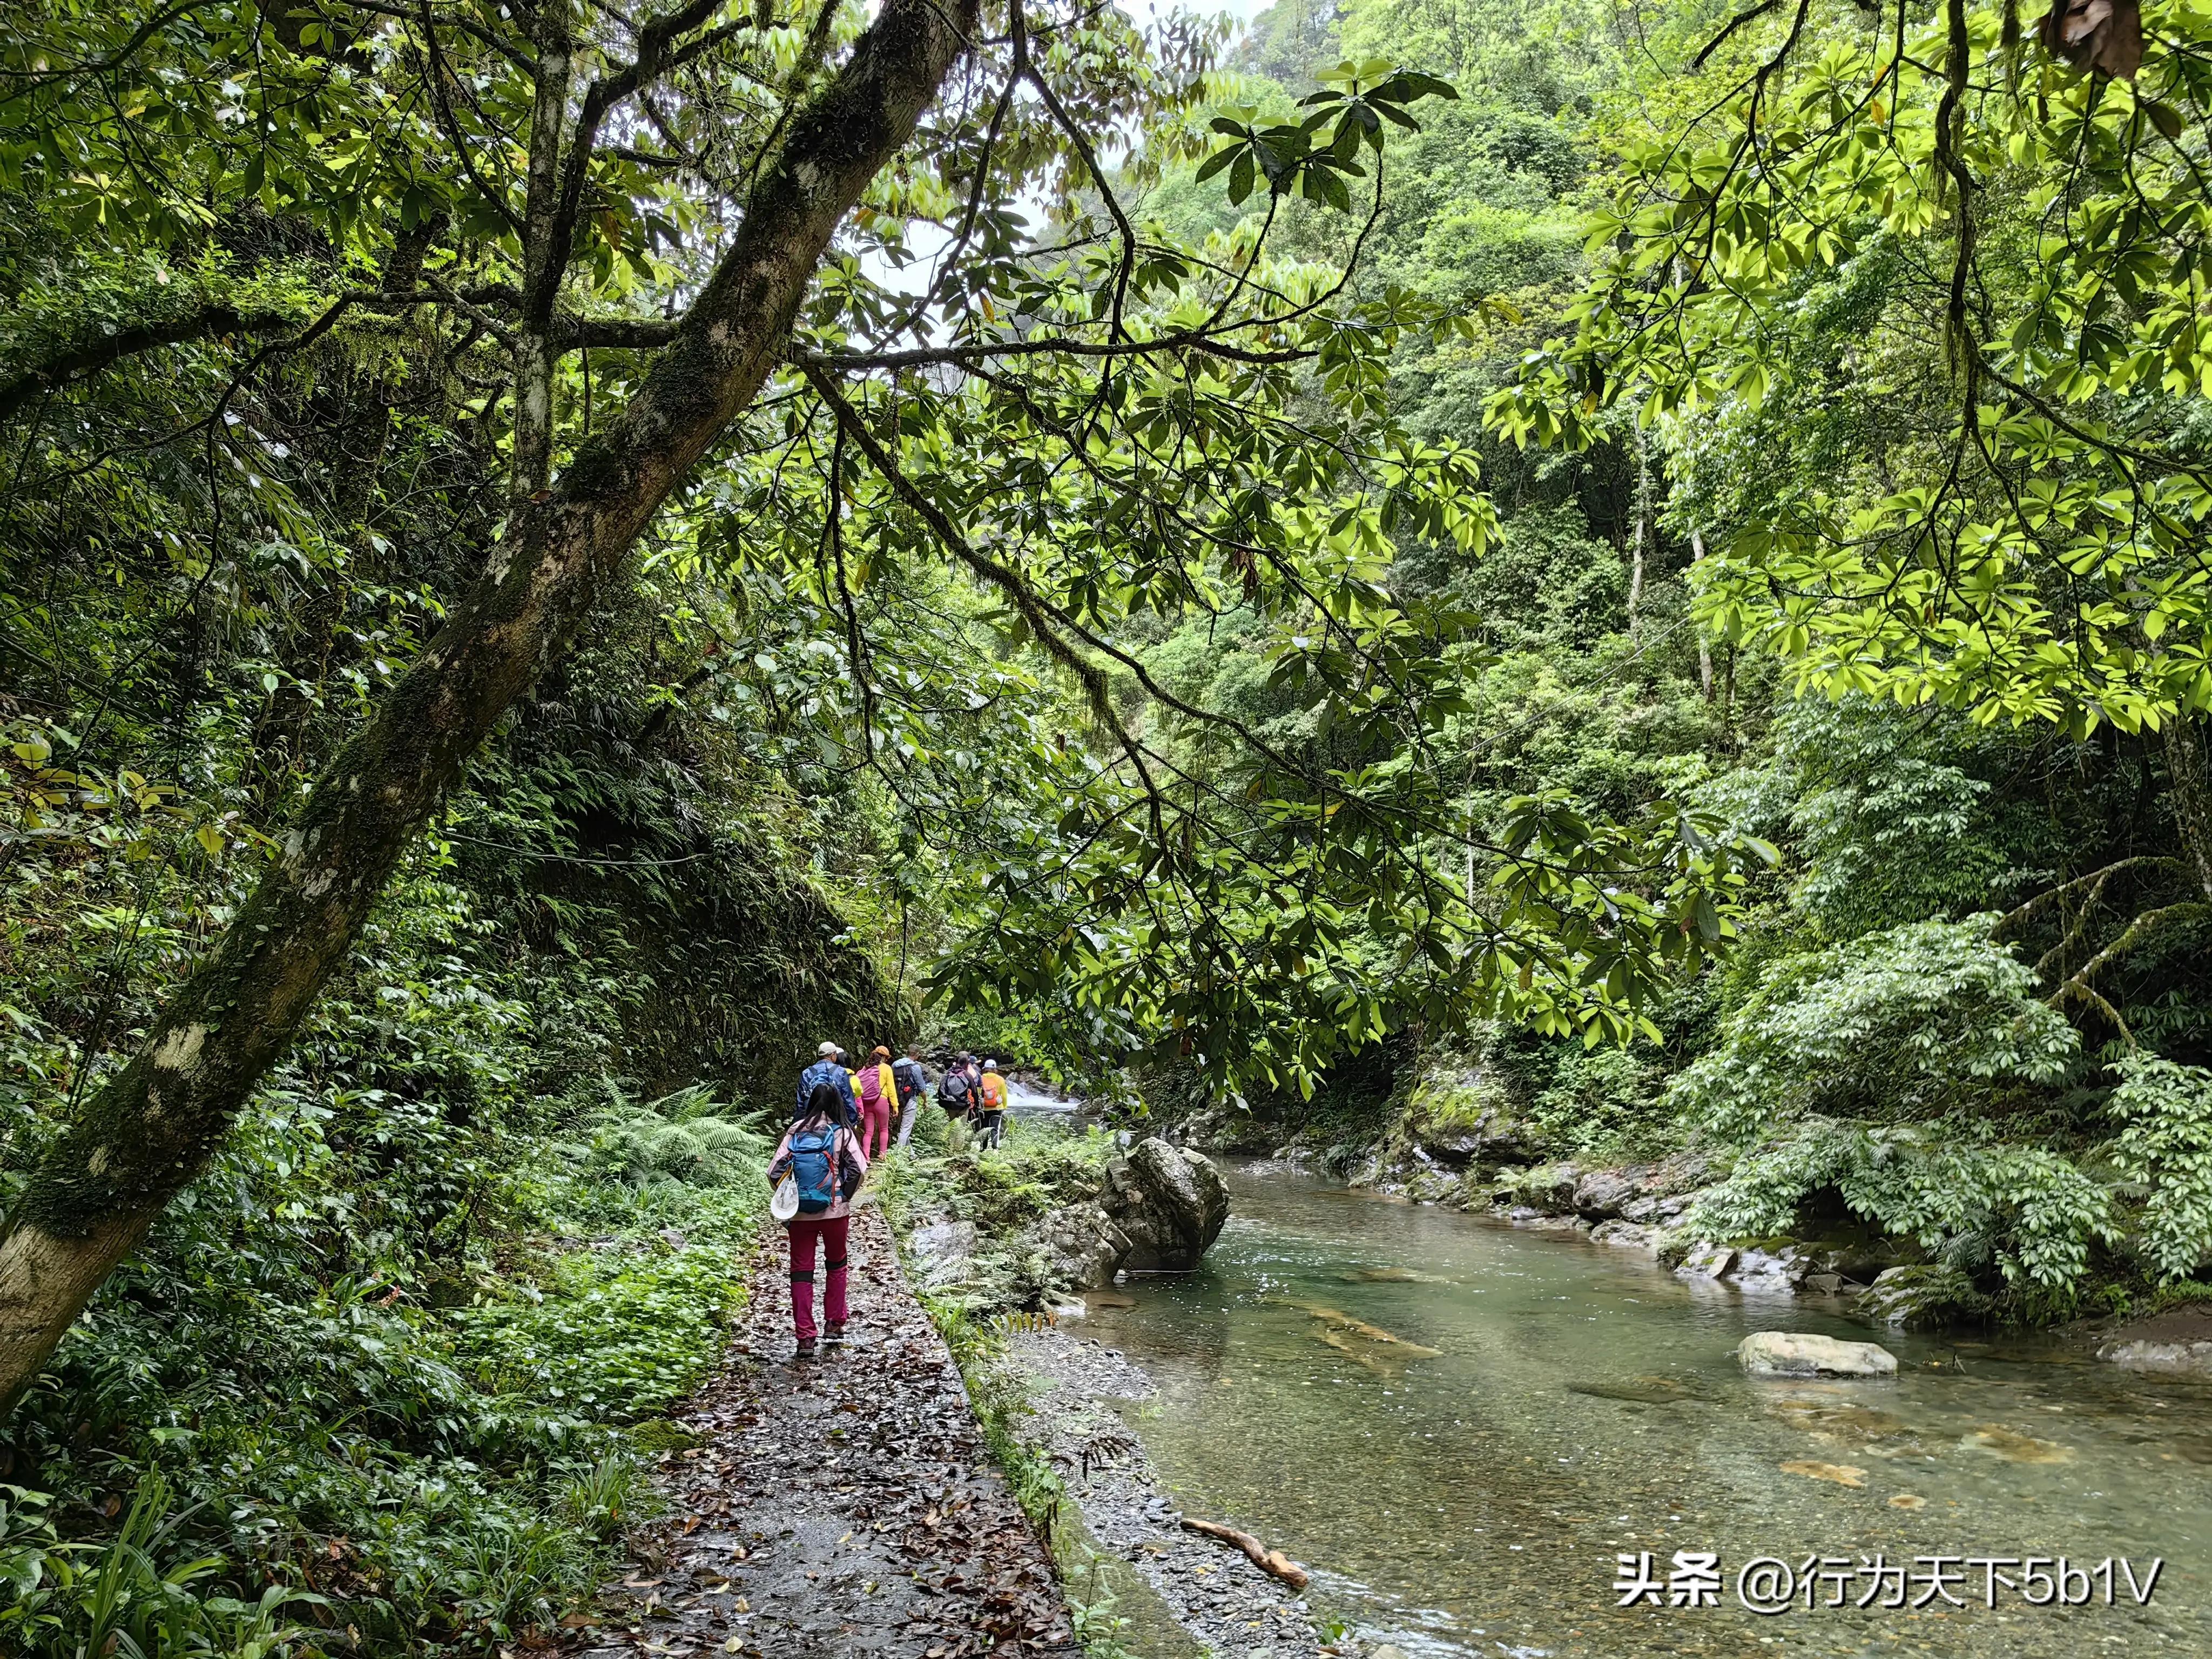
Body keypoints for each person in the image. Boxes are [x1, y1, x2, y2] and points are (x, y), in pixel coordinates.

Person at [768, 1083, 868, 1355]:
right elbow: (859, 1169)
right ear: (838, 1103)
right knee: (837, 1264)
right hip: (835, 1212)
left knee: (801, 1271)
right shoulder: (843, 1133)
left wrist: (789, 1200)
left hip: (800, 1214)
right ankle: (834, 1323)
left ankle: (805, 1337)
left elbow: (773, 1171)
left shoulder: (795, 1131)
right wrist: (843, 1196)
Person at [795, 1040, 857, 1128]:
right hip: (835, 1122)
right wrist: (852, 1122)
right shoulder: (840, 1072)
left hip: (812, 1123)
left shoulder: (807, 1073)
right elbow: (848, 1099)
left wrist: (802, 1123)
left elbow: (800, 1103)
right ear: (833, 1056)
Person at [853, 1044, 896, 1158]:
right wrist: (895, 1105)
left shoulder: (865, 1068)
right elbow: (891, 1089)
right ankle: (882, 1155)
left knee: (868, 1132)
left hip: (867, 1102)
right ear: (884, 1058)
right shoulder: (886, 1068)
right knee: (884, 1129)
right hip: (881, 1101)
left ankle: (866, 1157)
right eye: (886, 1058)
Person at [891, 1043, 928, 1149]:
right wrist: (925, 1101)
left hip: (896, 1099)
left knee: (902, 1128)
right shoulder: (915, 1067)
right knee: (906, 1129)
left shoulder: (895, 1065)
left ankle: (911, 1155)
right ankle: (898, 1155)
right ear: (916, 1055)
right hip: (910, 1099)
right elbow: (922, 1089)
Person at [977, 1057, 1008, 1149]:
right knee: (995, 1128)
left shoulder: (981, 1078)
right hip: (997, 1108)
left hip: (984, 1108)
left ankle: (983, 1148)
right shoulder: (1000, 1079)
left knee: (984, 1128)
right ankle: (995, 1148)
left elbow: (978, 1092)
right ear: (995, 1069)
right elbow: (1004, 1095)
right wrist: (1005, 1106)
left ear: (985, 1068)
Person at [936, 1051, 975, 1123]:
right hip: (963, 1105)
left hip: (950, 1104)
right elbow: (974, 1091)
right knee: (960, 1129)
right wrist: (976, 1105)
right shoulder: (967, 1075)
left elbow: (941, 1088)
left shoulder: (949, 1073)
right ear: (967, 1063)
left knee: (953, 1126)